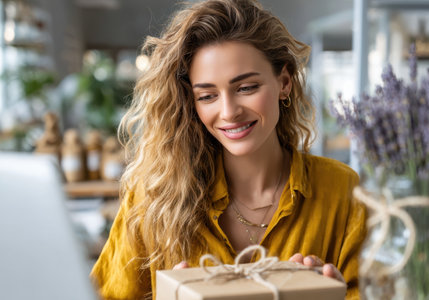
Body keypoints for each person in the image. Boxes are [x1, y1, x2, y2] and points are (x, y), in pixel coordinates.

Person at [90, 0, 367, 299]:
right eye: (207, 95)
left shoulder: (344, 192)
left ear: (284, 82)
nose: (229, 111)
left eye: (246, 88)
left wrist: (333, 293)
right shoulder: (151, 199)